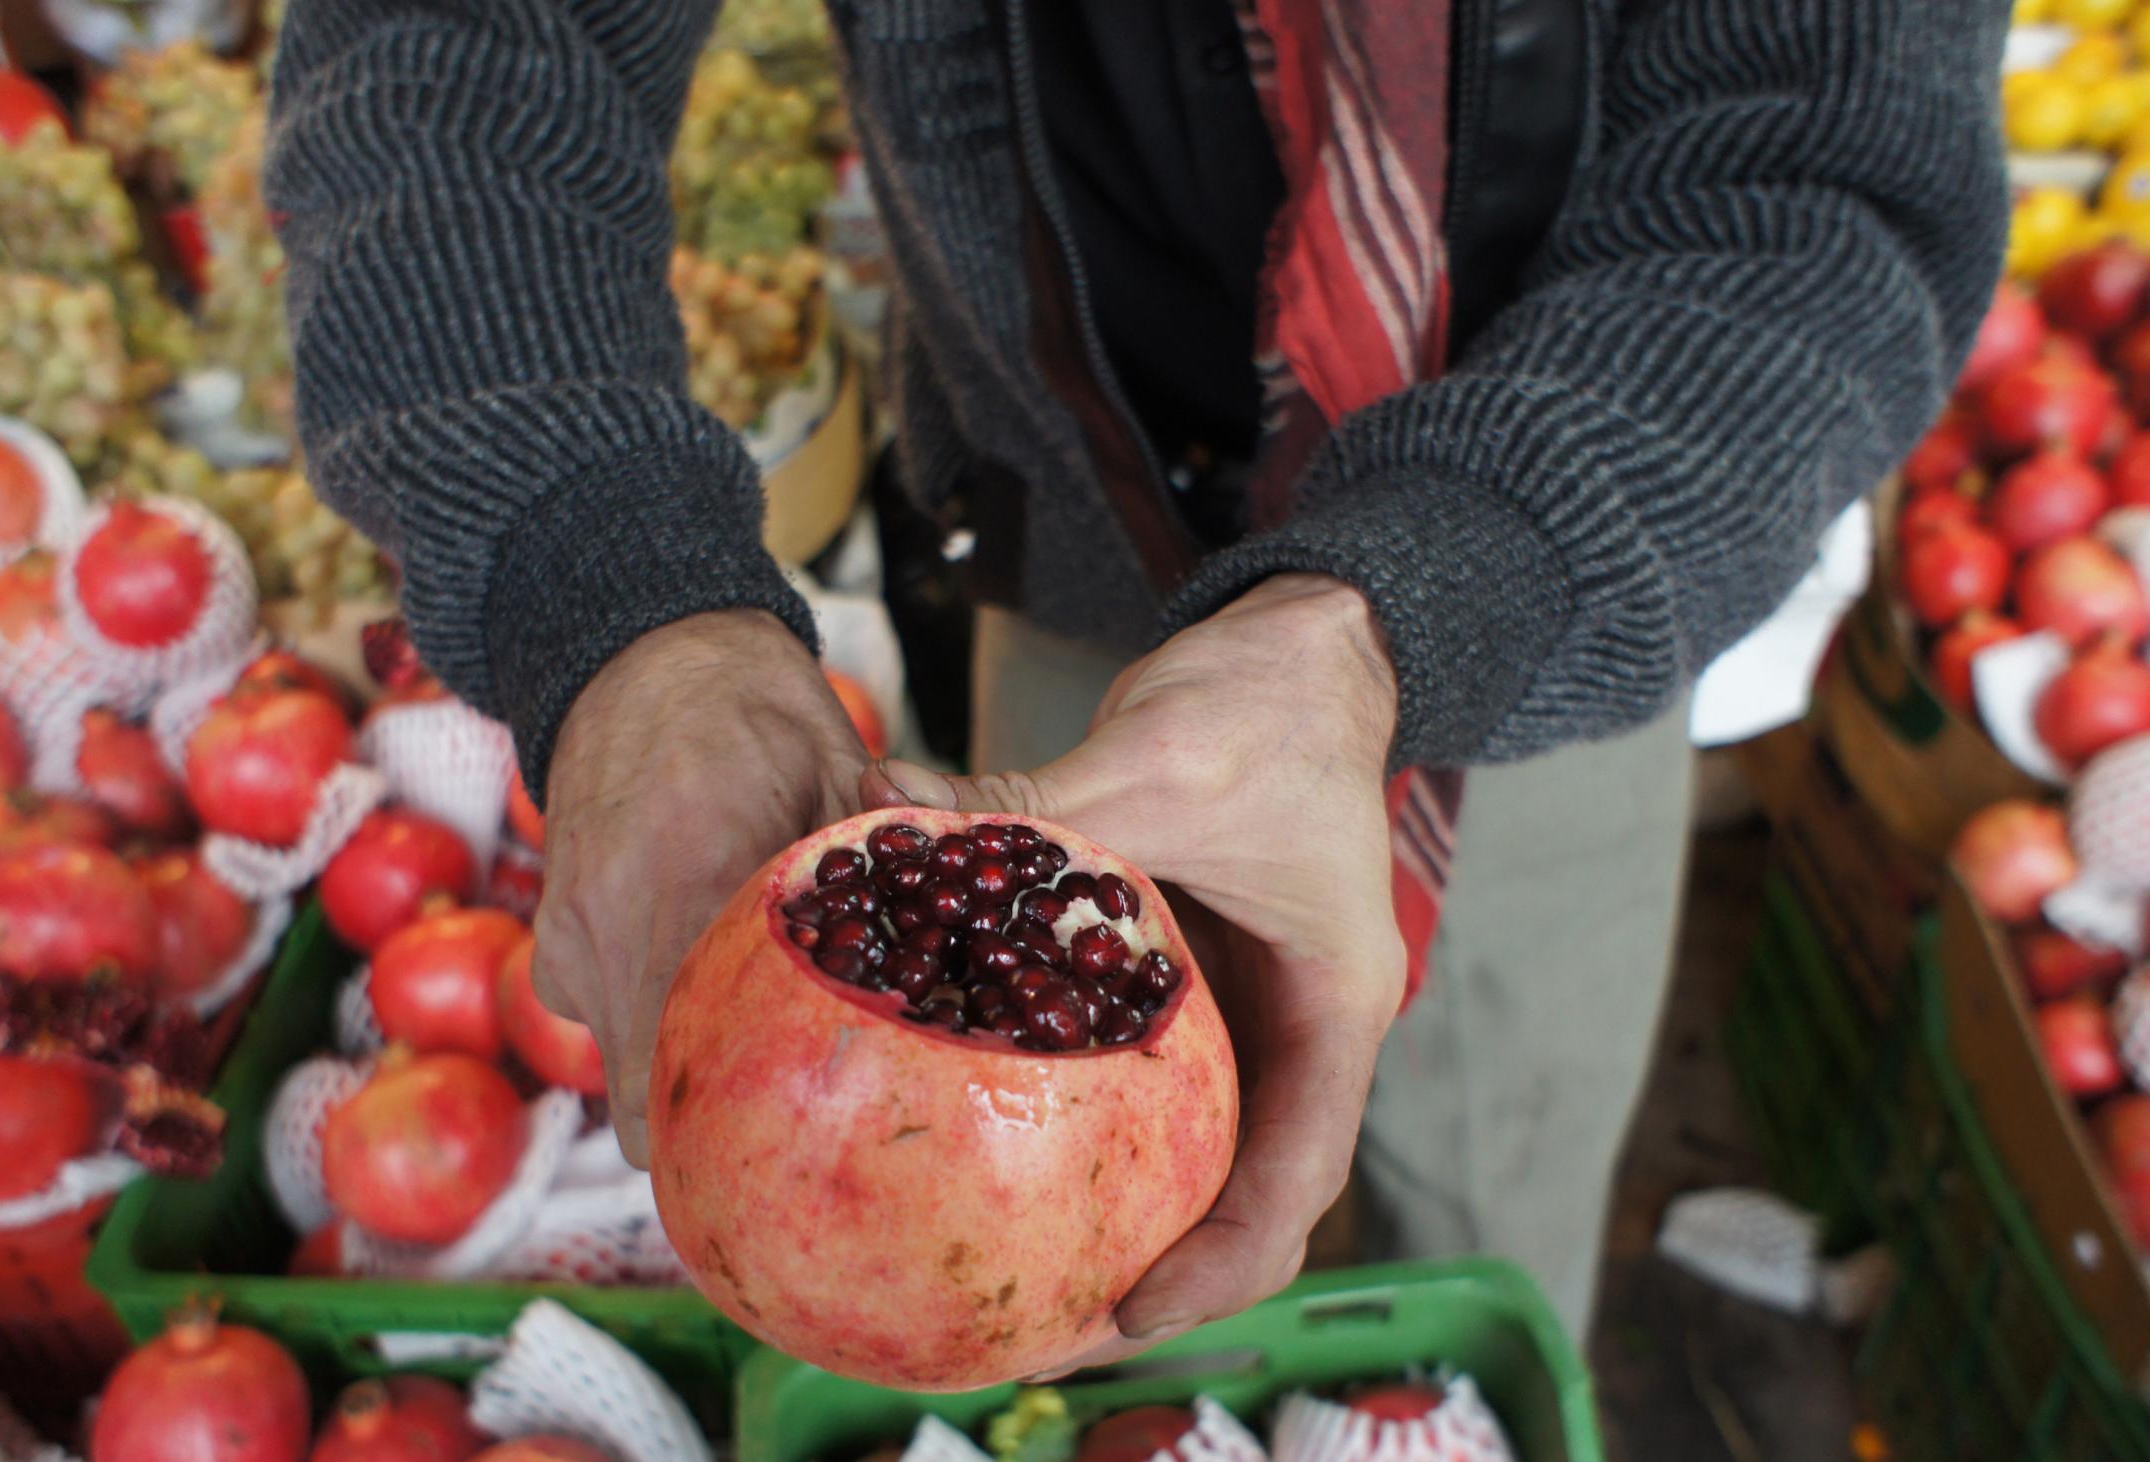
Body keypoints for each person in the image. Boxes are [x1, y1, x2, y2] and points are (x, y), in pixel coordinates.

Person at [268, 0, 2008, 1362]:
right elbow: (465, 38)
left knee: (1488, 1202)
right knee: (1096, 1307)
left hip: (1571, 589)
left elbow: (1824, 174)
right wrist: (613, 593)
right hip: (1074, 544)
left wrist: (1422, 601)